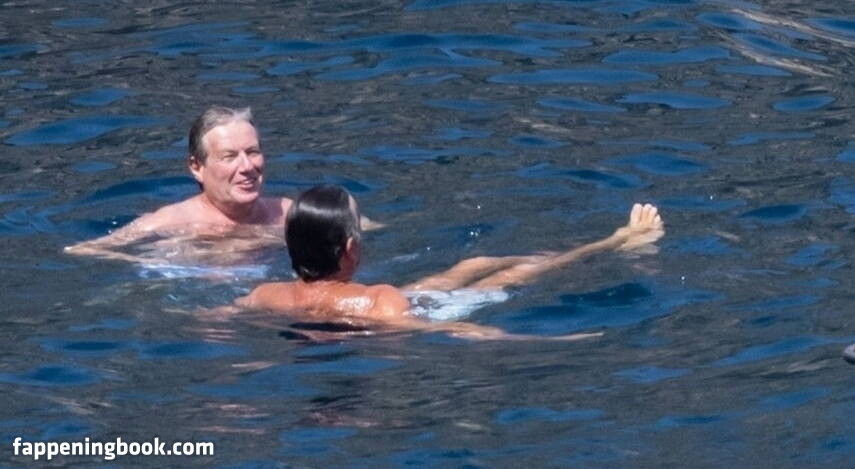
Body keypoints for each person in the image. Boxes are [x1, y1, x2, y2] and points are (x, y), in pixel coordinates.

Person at [234, 185, 663, 339]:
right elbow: (441, 328)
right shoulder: (382, 299)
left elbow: (219, 313)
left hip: (394, 303)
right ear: (350, 249)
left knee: (472, 263)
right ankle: (614, 241)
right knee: (513, 274)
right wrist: (525, 339)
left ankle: (606, 242)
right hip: (410, 308)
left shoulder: (266, 295)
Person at [65, 105, 293, 263]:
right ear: (196, 167)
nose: (247, 166)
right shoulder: (170, 222)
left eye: (252, 152)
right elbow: (84, 250)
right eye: (229, 157)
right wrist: (153, 262)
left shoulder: (287, 214)